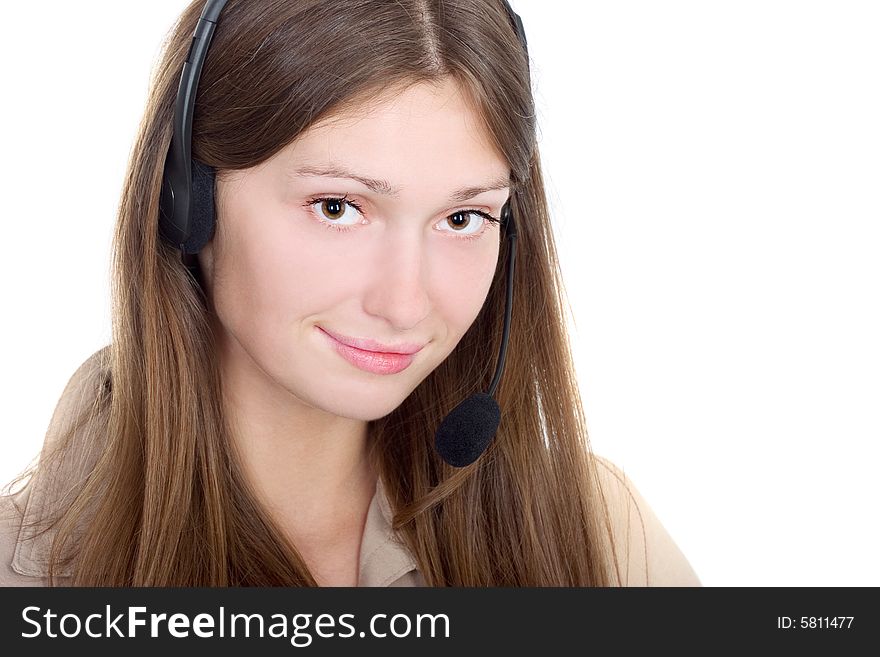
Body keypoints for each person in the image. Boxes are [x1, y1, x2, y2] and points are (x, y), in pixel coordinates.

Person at [0, 0, 700, 587]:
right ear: (189, 200)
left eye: (463, 218)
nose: (404, 303)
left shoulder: (597, 534)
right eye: (338, 206)